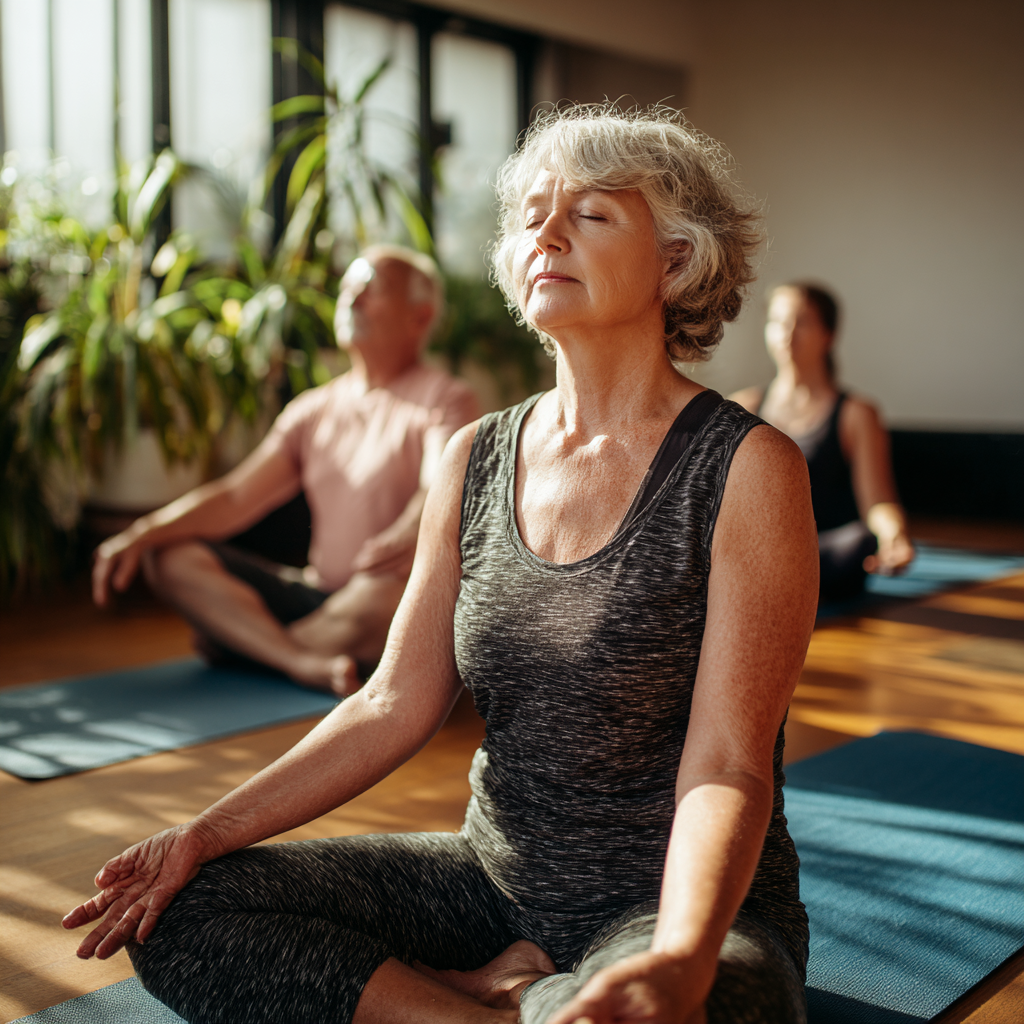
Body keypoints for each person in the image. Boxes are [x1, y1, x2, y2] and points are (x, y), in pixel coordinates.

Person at [64, 106, 819, 1024]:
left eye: (589, 215)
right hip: (488, 883)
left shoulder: (746, 468)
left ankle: (537, 997)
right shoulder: (475, 457)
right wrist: (203, 833)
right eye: (533, 212)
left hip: (669, 904)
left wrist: (681, 961)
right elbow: (393, 701)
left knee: (702, 1011)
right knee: (179, 908)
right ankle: (482, 1010)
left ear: (676, 257)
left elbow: (732, 766)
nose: (545, 233)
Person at [91, 245, 479, 694]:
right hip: (312, 595)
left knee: (396, 595)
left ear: (420, 317)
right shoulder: (311, 410)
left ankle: (242, 643)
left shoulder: (447, 399)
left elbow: (439, 483)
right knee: (168, 555)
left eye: (371, 289)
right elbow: (236, 496)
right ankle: (295, 659)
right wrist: (143, 531)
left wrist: (411, 528)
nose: (352, 299)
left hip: (375, 598)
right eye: (348, 288)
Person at [731, 283, 914, 604]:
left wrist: (893, 536)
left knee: (858, 542)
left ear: (829, 334)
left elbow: (876, 500)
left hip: (823, 549)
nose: (788, 334)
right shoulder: (741, 406)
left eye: (802, 322)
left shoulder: (856, 414)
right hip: (762, 548)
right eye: (778, 322)